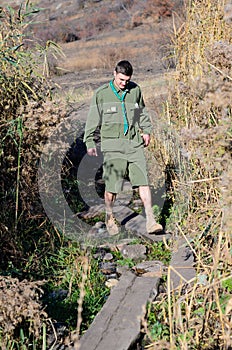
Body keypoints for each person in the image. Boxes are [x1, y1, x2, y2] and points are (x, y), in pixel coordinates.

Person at [83, 60, 163, 235]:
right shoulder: (102, 94)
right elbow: (92, 120)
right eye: (121, 79)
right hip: (113, 146)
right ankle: (110, 216)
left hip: (134, 142)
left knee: (143, 180)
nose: (124, 83)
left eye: (127, 80)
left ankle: (151, 220)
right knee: (112, 186)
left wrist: (147, 131)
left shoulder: (135, 90)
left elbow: (141, 112)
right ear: (114, 74)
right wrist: (89, 142)